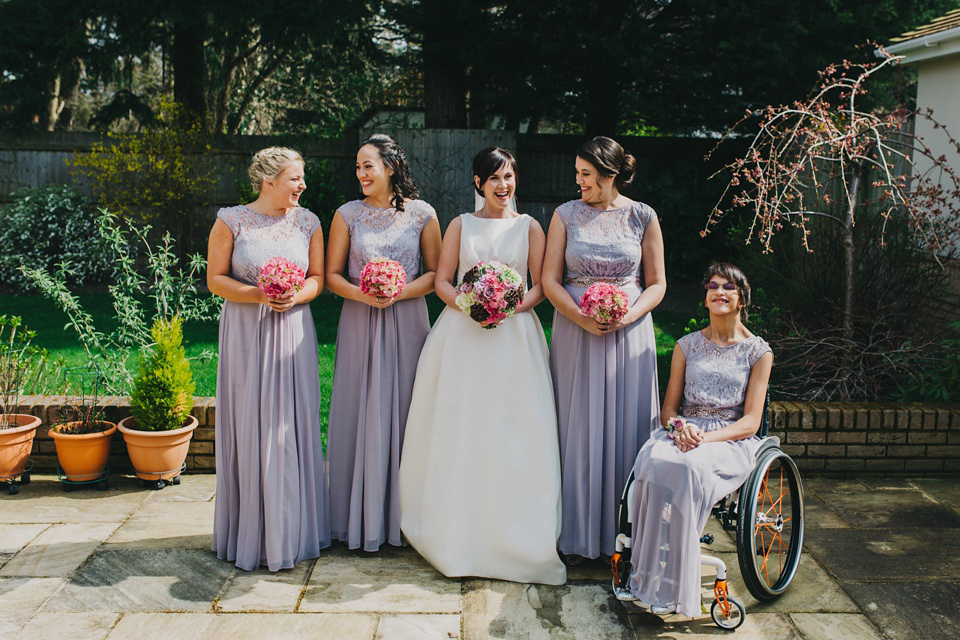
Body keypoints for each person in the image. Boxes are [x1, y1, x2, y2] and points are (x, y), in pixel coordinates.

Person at [399, 147, 566, 585]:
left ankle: (515, 530)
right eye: (493, 178)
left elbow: (541, 286)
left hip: (514, 337)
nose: (502, 186)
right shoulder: (460, 224)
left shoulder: (530, 227)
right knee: (461, 424)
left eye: (508, 177)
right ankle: (454, 528)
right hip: (462, 336)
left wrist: (508, 308)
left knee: (513, 426)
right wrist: (471, 305)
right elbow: (441, 280)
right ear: (478, 182)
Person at [620, 262, 773, 616]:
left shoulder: (758, 353)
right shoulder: (686, 346)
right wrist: (679, 428)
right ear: (704, 298)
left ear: (741, 299)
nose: (720, 292)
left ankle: (674, 584)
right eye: (713, 286)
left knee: (688, 467)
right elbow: (669, 409)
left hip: (729, 439)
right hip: (683, 429)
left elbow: (751, 422)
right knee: (654, 460)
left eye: (729, 287)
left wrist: (706, 438)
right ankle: (644, 573)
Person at [542, 136, 665, 562]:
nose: (578, 182)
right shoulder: (564, 215)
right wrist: (582, 318)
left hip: (629, 336)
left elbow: (657, 284)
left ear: (610, 175)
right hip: (576, 333)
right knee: (577, 426)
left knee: (627, 429)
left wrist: (627, 316)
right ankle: (575, 534)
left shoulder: (643, 216)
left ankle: (627, 534)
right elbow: (549, 281)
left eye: (586, 175)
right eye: (577, 174)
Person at [208, 147, 330, 571]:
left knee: (289, 426)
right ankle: (249, 533)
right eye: (296, 179)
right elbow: (215, 280)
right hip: (244, 332)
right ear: (269, 181)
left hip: (293, 331)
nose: (302, 186)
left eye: (302, 178)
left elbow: (318, 279)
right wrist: (259, 293)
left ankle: (293, 530)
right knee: (248, 424)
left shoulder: (309, 222)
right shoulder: (231, 220)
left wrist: (294, 295)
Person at [325, 134, 441, 551]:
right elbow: (332, 276)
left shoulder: (423, 214)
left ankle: (406, 516)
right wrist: (365, 294)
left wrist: (398, 292)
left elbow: (436, 275)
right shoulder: (346, 215)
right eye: (357, 167)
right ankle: (352, 515)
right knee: (358, 408)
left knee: (408, 408)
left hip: (408, 320)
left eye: (367, 166)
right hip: (359, 319)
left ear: (389, 167)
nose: (360, 174)